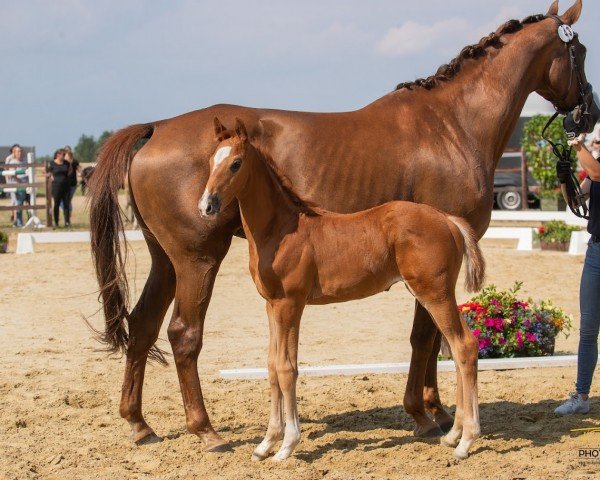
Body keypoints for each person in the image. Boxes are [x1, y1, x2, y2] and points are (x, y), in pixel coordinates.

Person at [554, 132, 600, 415]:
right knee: (587, 329)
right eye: (596, 141)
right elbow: (575, 199)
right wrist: (564, 178)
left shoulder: (596, 168)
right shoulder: (595, 169)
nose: (597, 143)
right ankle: (581, 396)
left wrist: (577, 143)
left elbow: (595, 173)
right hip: (595, 253)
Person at [5, 144, 27, 227]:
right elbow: (9, 173)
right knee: (17, 202)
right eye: (18, 151)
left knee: (24, 202)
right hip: (16, 183)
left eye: (20, 151)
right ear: (14, 152)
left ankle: (20, 221)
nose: (20, 153)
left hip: (26, 183)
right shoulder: (11, 160)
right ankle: (18, 222)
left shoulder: (24, 160)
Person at [48, 149, 71, 228]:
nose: (64, 156)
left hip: (66, 186)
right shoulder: (52, 163)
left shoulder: (66, 163)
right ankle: (56, 222)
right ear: (58, 155)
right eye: (63, 154)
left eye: (65, 154)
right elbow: (47, 171)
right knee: (56, 204)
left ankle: (67, 222)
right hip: (56, 186)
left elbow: (70, 170)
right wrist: (50, 176)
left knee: (66, 204)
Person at [63, 146, 79, 215]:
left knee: (68, 200)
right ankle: (67, 212)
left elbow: (79, 169)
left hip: (72, 183)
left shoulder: (75, 161)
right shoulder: (63, 162)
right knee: (65, 200)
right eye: (66, 151)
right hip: (64, 183)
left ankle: (68, 213)